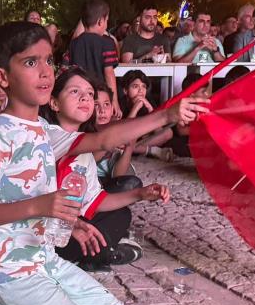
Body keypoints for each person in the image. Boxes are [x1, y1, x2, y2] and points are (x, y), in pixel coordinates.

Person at [0, 21, 205, 305]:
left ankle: (24, 304)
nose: (45, 72)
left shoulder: (43, 129)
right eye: (31, 63)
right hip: (8, 268)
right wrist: (40, 206)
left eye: (49, 61)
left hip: (44, 259)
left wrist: (168, 115)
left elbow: (106, 138)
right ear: (1, 77)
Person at [45, 68, 169, 270]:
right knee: (82, 238)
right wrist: (165, 115)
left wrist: (140, 193)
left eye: (89, 94)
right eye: (75, 91)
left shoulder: (85, 154)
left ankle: (95, 252)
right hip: (48, 230)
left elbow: (98, 200)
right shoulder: (50, 136)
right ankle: (100, 253)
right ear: (54, 102)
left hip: (73, 223)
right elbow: (105, 140)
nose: (85, 97)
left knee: (121, 214)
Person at [65, 0, 121, 114]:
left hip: (80, 97)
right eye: (106, 21)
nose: (106, 25)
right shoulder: (107, 42)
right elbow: (109, 74)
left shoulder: (74, 43)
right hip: (100, 97)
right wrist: (114, 101)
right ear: (100, 21)